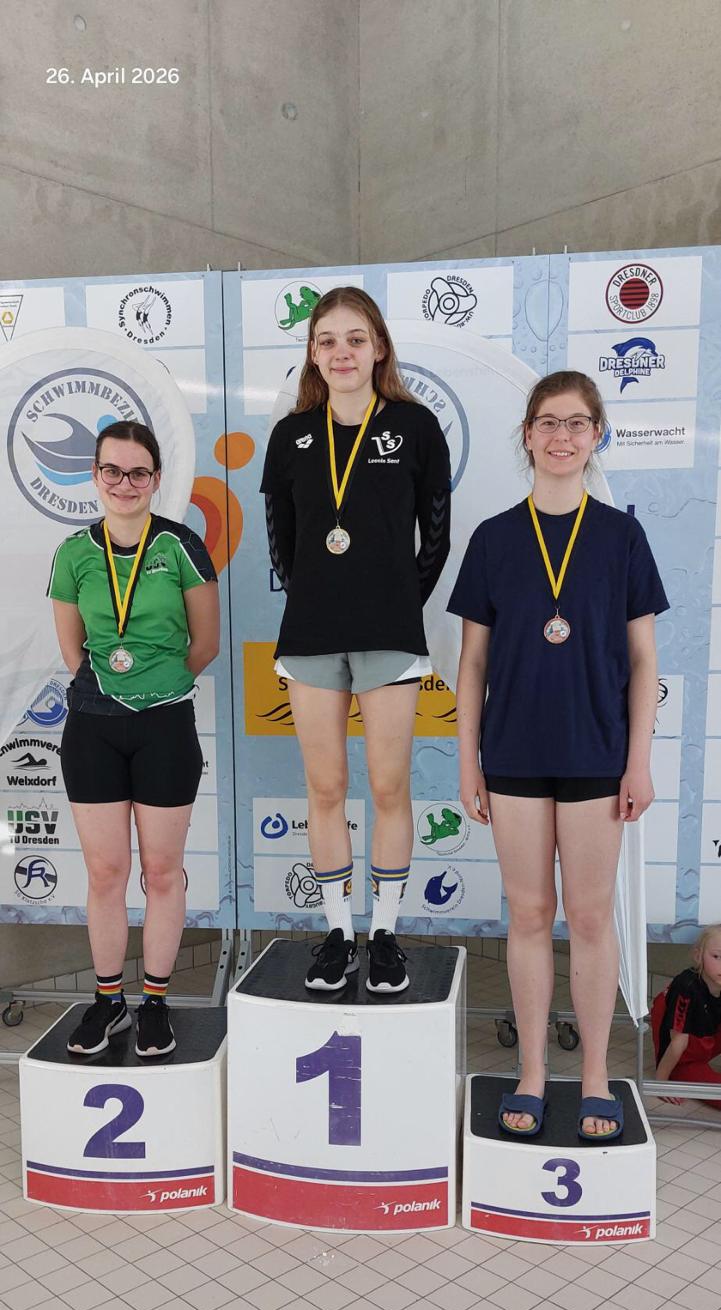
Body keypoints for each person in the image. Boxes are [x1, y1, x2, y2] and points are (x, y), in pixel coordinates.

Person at [449, 371, 669, 1140]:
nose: (561, 436)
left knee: (590, 916)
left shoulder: (620, 537)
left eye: (576, 423)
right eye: (547, 422)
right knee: (530, 914)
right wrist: (468, 762)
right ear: (527, 435)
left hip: (594, 754)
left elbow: (642, 660)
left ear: (596, 434)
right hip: (512, 753)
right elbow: (471, 665)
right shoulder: (493, 539)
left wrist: (637, 761)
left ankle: (596, 1077)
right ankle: (533, 1072)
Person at [261, 286, 451, 993]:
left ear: (378, 348)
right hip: (311, 635)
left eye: (354, 338)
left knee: (389, 784)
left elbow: (436, 535)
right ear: (312, 354)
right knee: (325, 786)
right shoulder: (291, 435)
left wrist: (397, 602)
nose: (341, 352)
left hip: (389, 634)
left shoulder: (414, 425)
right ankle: (339, 932)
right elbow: (281, 540)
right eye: (327, 340)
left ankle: (385, 935)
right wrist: (320, 595)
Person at [48, 420, 219, 1057]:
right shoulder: (73, 553)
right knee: (105, 872)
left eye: (138, 472)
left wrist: (156, 687)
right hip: (92, 727)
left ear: (156, 479)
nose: (125, 483)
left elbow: (206, 643)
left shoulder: (181, 545)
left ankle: (154, 1002)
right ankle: (108, 1001)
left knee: (162, 871)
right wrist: (111, 690)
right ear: (95, 475)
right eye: (112, 471)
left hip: (165, 726)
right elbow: (74, 651)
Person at [651, 927, 721, 1105]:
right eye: (717, 956)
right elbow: (677, 1043)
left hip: (706, 1037)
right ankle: (678, 1072)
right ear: (698, 956)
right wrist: (661, 1082)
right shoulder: (687, 987)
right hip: (682, 1053)